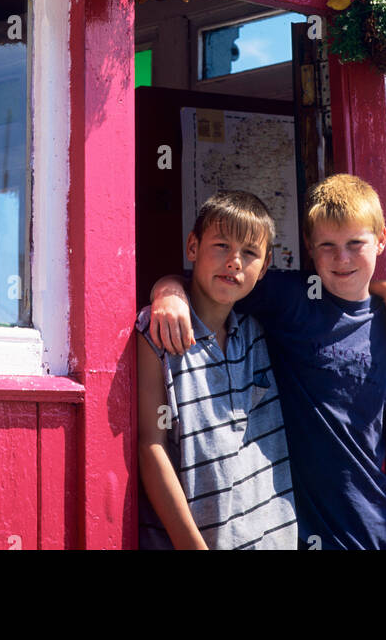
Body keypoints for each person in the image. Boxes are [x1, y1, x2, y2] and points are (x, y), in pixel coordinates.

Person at [148, 173, 386, 550]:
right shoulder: (290, 298)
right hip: (287, 535)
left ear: (382, 239)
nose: (342, 258)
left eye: (356, 243)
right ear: (308, 246)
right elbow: (214, 280)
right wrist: (168, 290)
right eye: (327, 245)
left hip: (374, 536)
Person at [136, 189, 298, 549]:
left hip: (272, 538)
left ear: (265, 266)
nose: (235, 262)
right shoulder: (158, 331)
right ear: (192, 248)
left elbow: (340, 294)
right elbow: (151, 446)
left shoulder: (258, 333)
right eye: (221, 246)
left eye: (250, 253)